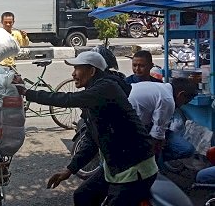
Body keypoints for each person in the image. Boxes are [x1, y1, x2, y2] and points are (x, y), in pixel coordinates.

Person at [15, 51, 158, 205]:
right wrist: (70, 170)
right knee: (83, 196)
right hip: (115, 165)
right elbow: (91, 140)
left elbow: (67, 99)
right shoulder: (94, 97)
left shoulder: (105, 88)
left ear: (92, 71)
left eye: (77, 69)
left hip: (134, 167)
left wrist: (26, 92)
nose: (73, 74)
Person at [128, 78, 197, 165]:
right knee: (184, 149)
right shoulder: (168, 100)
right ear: (181, 94)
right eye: (185, 102)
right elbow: (156, 137)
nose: (182, 105)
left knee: (185, 148)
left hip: (139, 125)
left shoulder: (161, 88)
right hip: (134, 130)